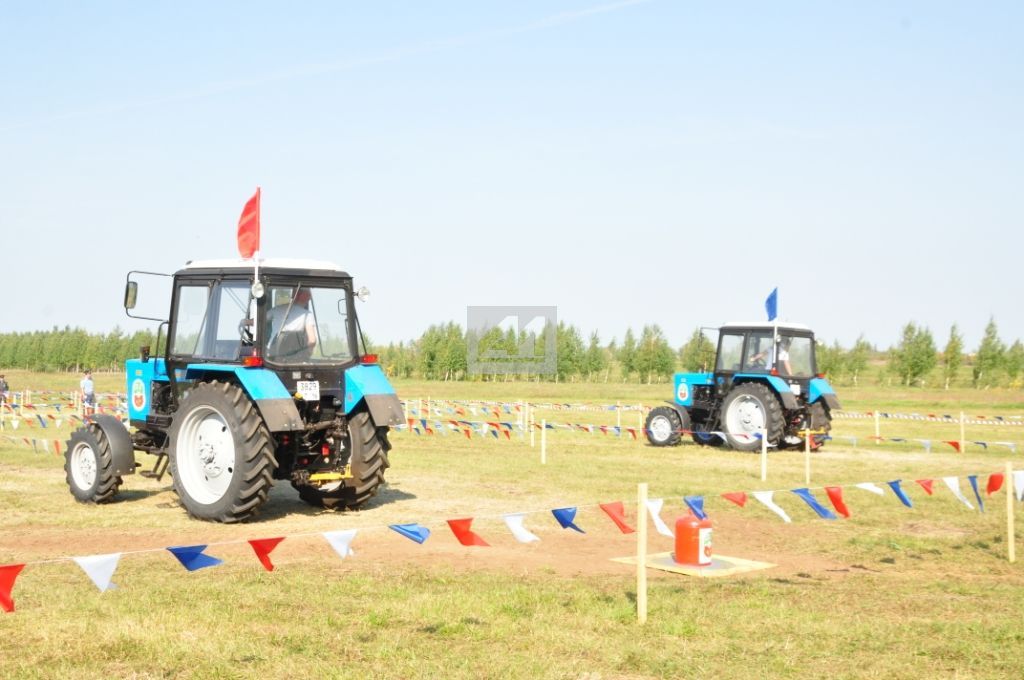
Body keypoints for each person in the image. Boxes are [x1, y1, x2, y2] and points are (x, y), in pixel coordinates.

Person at [266, 287, 318, 360]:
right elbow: (312, 340)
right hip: (295, 357)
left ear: (294, 295)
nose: (310, 297)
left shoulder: (277, 309)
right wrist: (308, 353)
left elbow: (257, 321)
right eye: (309, 295)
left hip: (272, 355)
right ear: (306, 296)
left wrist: (245, 321)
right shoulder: (307, 315)